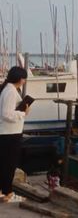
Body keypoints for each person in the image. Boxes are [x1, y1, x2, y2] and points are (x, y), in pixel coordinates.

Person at [0, 66, 29, 202]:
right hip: (10, 133)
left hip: (8, 132)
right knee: (9, 164)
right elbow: (6, 114)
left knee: (5, 163)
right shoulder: (10, 91)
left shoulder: (8, 89)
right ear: (19, 78)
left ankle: (3, 191)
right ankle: (7, 193)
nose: (24, 81)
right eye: (23, 78)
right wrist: (23, 113)